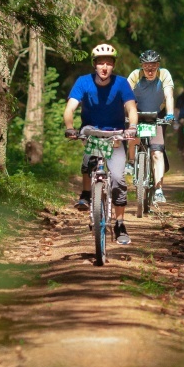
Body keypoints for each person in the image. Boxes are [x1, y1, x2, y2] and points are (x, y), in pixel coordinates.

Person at [63, 43, 138, 245]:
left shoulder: (122, 83)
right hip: (91, 131)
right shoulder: (83, 82)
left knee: (118, 179)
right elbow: (70, 108)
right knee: (89, 163)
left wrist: (132, 127)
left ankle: (120, 223)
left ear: (113, 65)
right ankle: (87, 194)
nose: (104, 67)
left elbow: (131, 109)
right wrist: (70, 127)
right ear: (94, 65)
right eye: (100, 63)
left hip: (115, 134)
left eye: (109, 63)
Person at [126, 49, 174, 204]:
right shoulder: (135, 75)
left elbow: (169, 95)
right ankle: (131, 162)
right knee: (133, 136)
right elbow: (124, 94)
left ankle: (159, 189)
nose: (150, 71)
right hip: (137, 114)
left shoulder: (164, 74)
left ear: (158, 66)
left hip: (157, 115)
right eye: (147, 67)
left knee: (157, 152)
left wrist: (170, 113)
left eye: (153, 67)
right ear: (142, 67)